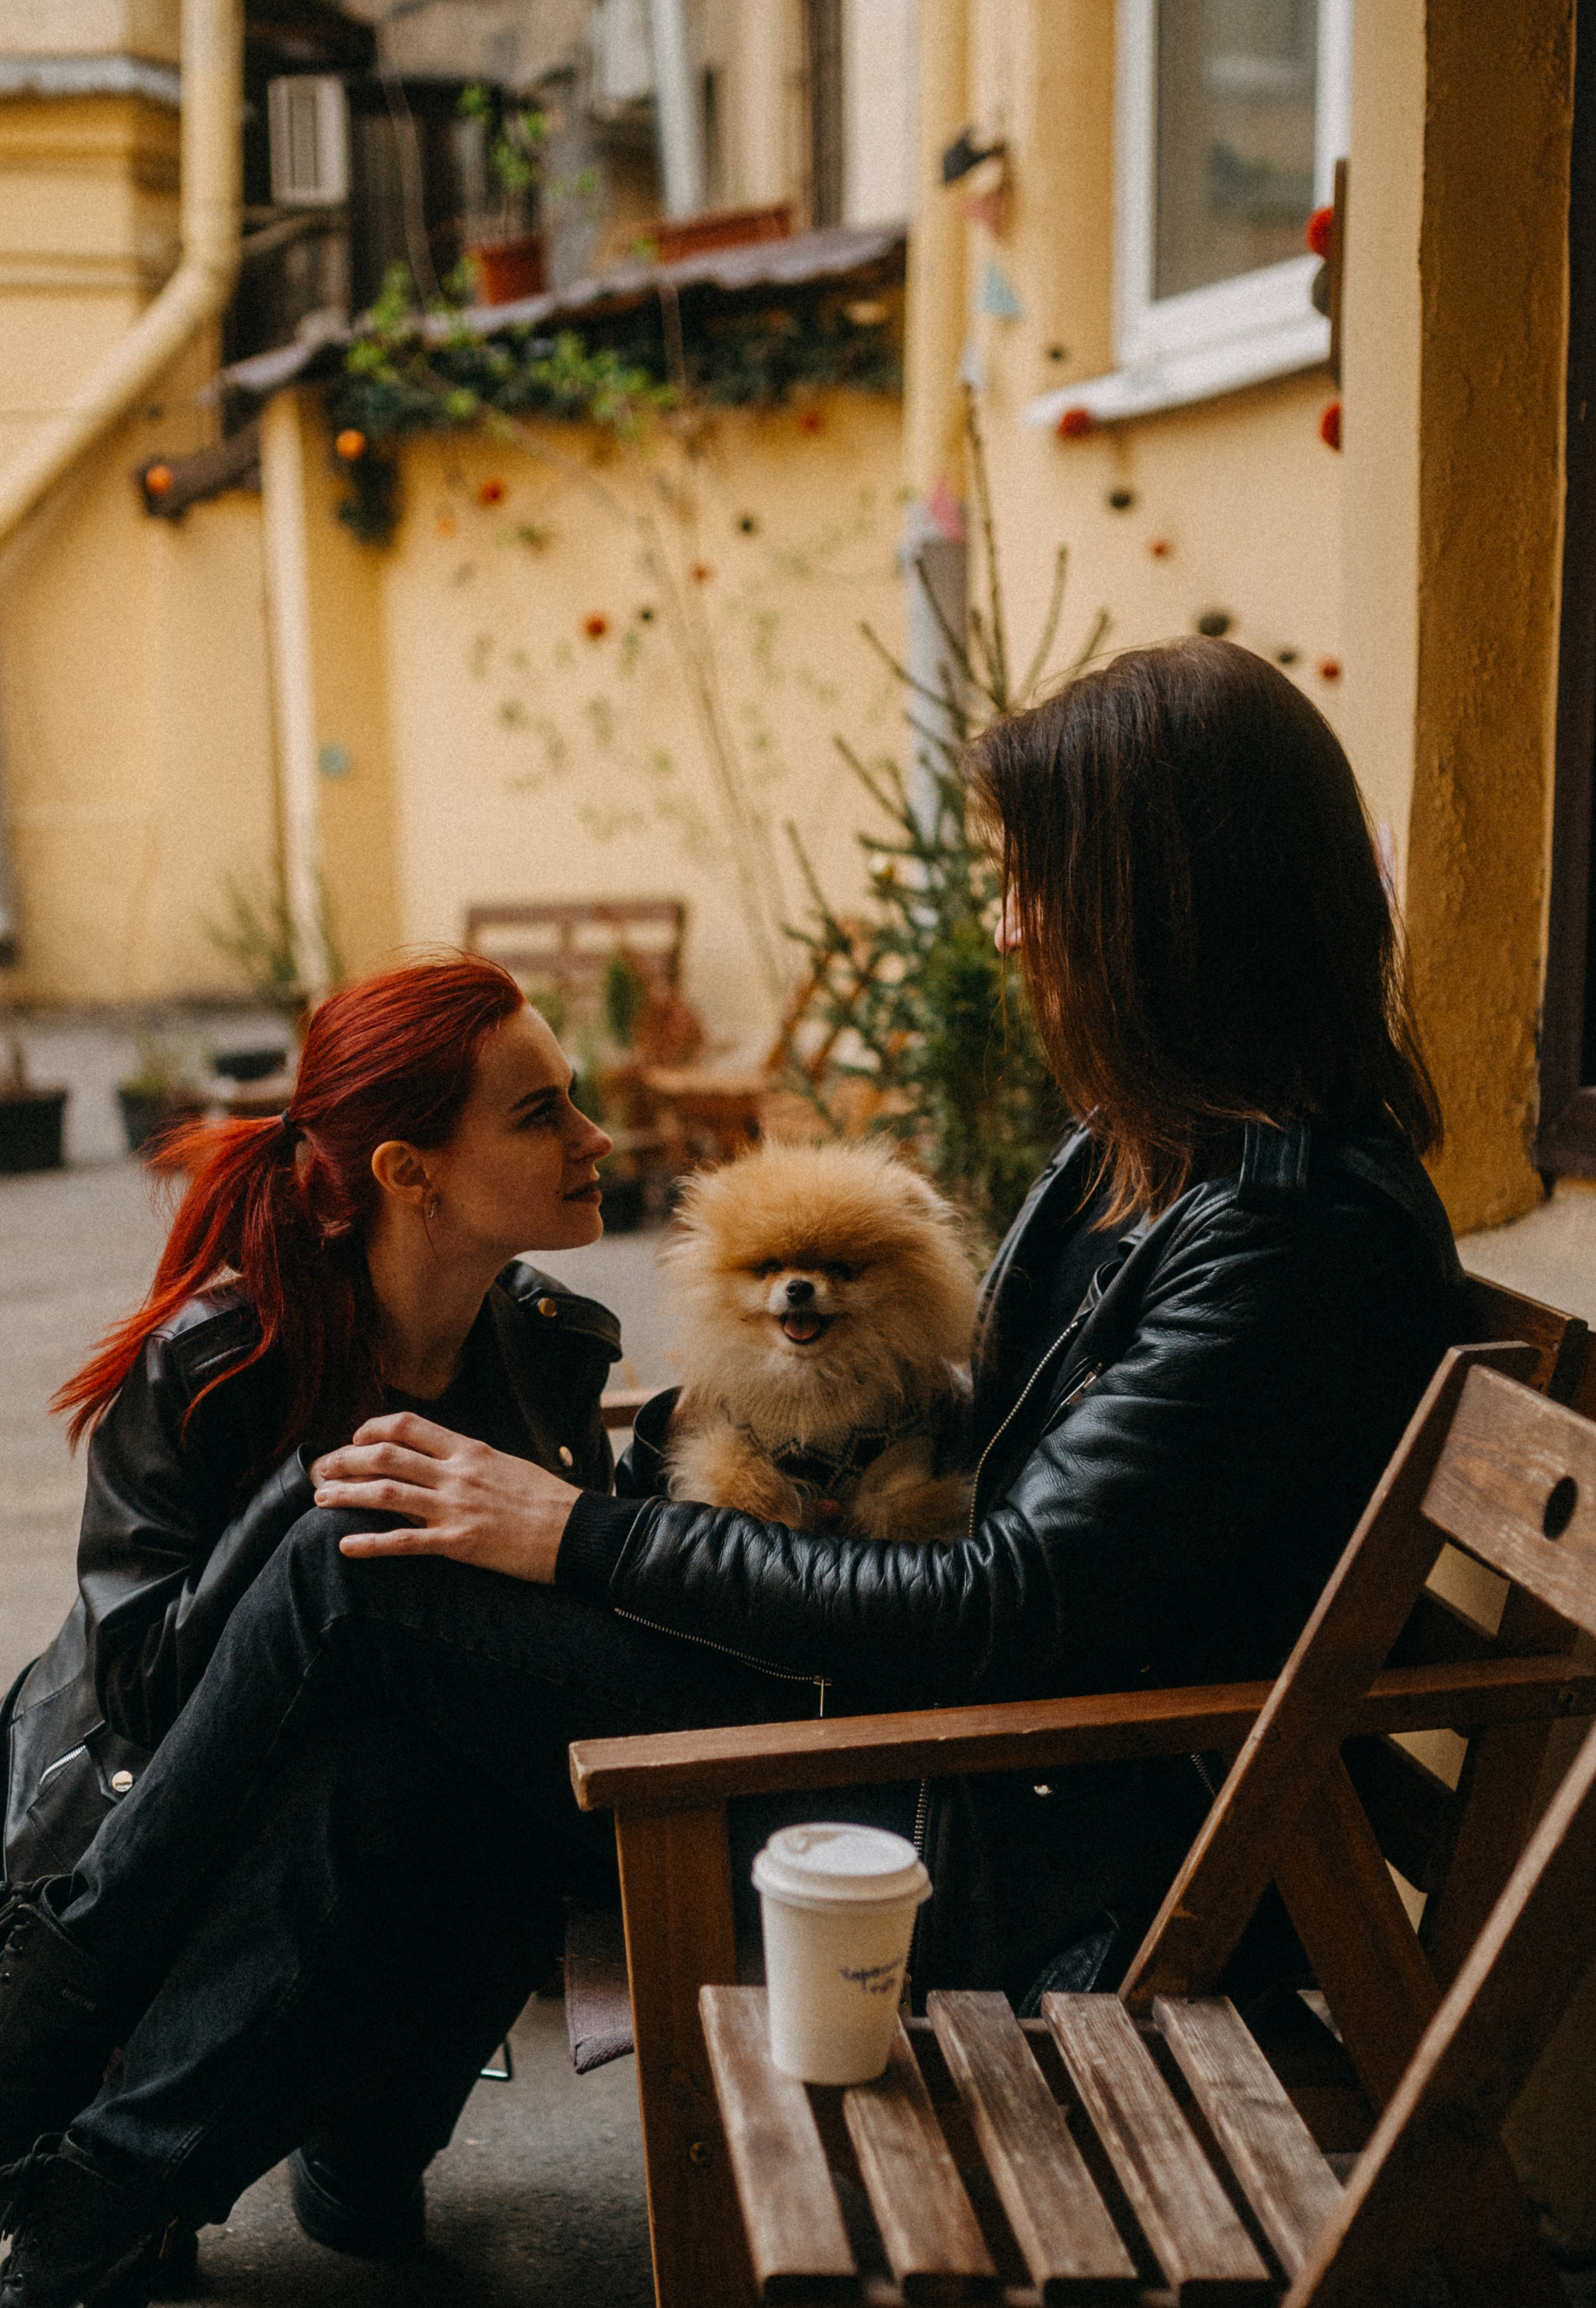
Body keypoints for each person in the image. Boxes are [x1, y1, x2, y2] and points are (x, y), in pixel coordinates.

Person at [0, 639, 1466, 2306]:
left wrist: (581, 1536)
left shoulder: (1286, 1236)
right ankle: (98, 2190)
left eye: (1031, 883)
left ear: (1159, 905)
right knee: (394, 1683)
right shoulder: (1146, 1167)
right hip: (947, 1733)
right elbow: (980, 1488)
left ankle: (40, 2054)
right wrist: (744, 1438)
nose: (1007, 927)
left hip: (1019, 1811)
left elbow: (1008, 1606)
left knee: (366, 1565)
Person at [0, 954, 618, 2269]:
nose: (595, 1138)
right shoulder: (213, 1364)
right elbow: (145, 1695)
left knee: (424, 1773)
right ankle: (116, 2119)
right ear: (409, 1171)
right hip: (144, 1825)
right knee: (374, 1752)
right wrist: (313, 1488)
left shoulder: (551, 1348)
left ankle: (342, 2145)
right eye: (540, 1113)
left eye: (574, 1100)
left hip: (384, 1841)